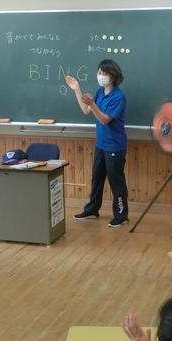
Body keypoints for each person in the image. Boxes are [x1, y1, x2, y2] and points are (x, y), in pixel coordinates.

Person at [65, 59, 128, 227]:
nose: (101, 76)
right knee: (97, 179)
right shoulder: (100, 92)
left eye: (105, 73)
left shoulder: (118, 96)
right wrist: (77, 90)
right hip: (101, 144)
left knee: (116, 181)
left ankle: (121, 215)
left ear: (113, 76)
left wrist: (92, 104)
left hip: (115, 145)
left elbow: (105, 119)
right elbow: (86, 110)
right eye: (99, 72)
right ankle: (92, 210)